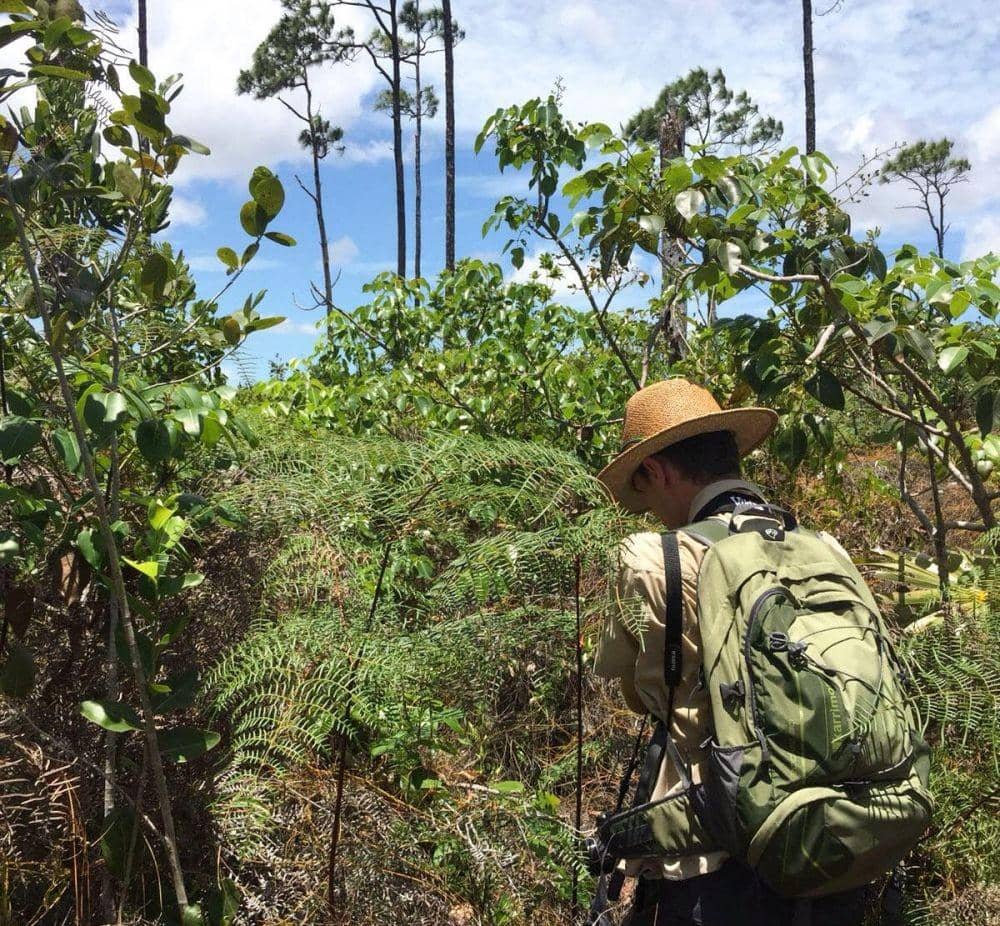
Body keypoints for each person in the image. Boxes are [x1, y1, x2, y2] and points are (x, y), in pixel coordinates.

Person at [593, 378, 867, 926]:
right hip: (834, 836)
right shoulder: (824, 547)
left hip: (710, 852)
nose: (650, 512)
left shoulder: (653, 558)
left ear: (657, 472)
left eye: (643, 492)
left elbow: (639, 693)